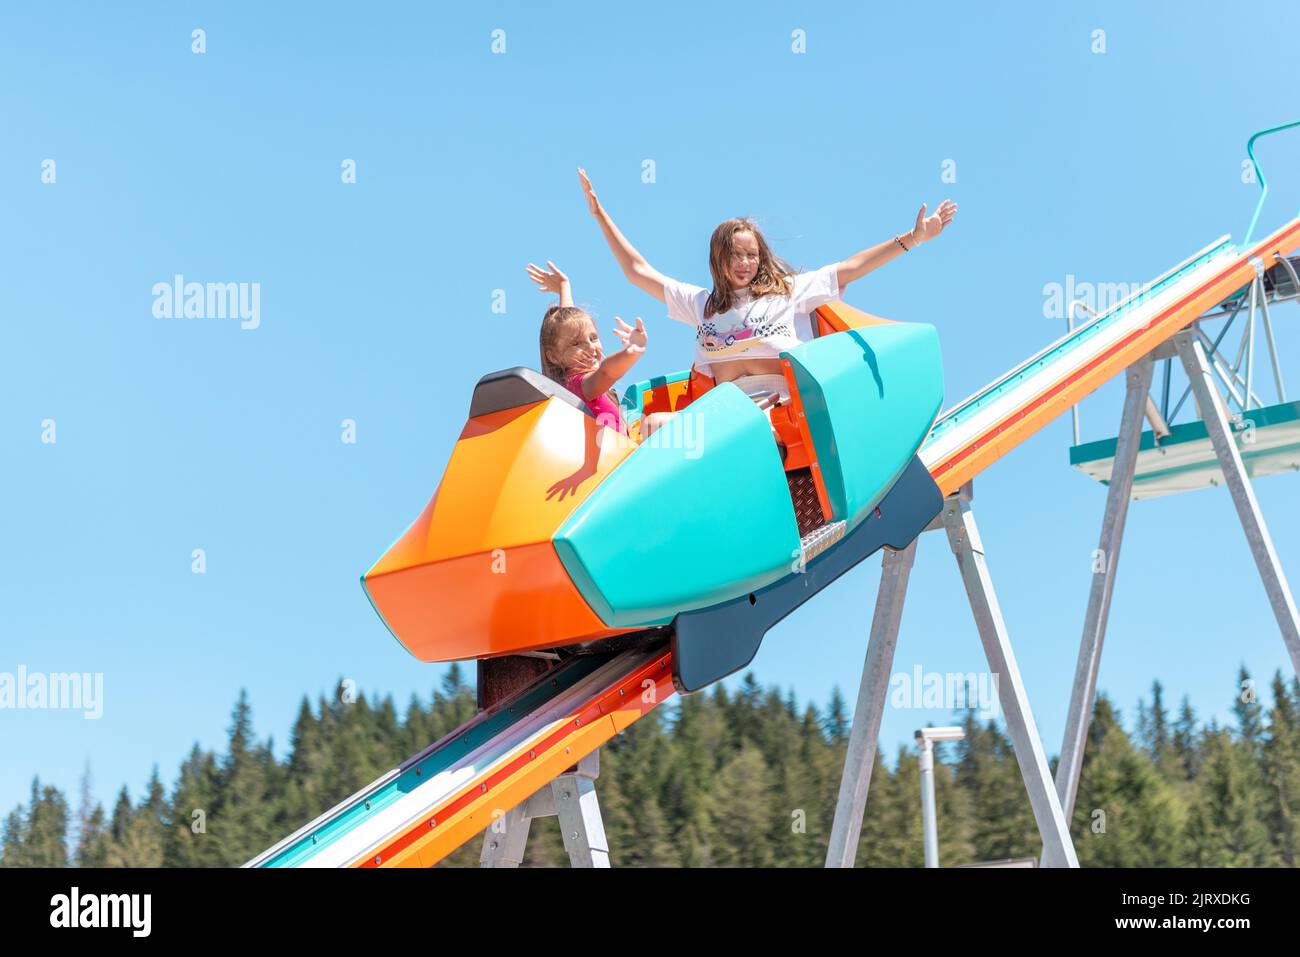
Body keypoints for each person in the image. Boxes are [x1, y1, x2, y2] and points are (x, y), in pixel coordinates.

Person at [576, 168, 956, 411]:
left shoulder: (786, 292)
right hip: (730, 417)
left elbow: (851, 269)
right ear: (718, 258)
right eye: (736, 255)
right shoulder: (701, 306)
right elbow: (637, 272)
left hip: (787, 410)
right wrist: (599, 216)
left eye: (752, 255)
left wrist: (913, 239)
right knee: (658, 426)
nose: (746, 263)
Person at [529, 261, 673, 438]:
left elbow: (569, 326)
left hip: (619, 453)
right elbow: (606, 373)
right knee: (655, 424)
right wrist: (631, 352)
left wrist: (563, 288)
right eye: (577, 344)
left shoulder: (565, 388)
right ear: (554, 356)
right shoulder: (580, 385)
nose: (590, 347)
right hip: (620, 460)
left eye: (593, 338)